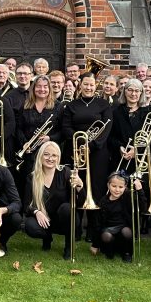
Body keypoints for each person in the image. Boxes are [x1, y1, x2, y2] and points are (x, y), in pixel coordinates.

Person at [24, 141, 83, 259]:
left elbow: (81, 202)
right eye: (46, 154)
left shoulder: (65, 172)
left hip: (64, 219)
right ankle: (47, 237)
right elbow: (26, 204)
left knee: (66, 208)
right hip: (45, 220)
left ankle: (68, 246)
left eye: (54, 155)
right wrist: (37, 212)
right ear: (40, 156)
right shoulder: (32, 177)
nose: (50, 158)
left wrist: (80, 186)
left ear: (58, 157)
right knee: (30, 226)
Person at [61, 72, 113, 205]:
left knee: (98, 186)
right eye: (85, 84)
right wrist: (82, 143)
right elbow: (66, 127)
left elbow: (106, 127)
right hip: (77, 151)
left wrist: (92, 145)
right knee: (77, 184)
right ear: (80, 85)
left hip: (98, 151)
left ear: (96, 86)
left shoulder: (104, 104)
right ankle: (77, 215)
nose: (88, 88)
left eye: (91, 85)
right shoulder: (71, 105)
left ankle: (96, 217)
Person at [91, 172, 135, 262]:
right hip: (109, 230)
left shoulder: (127, 197)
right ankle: (109, 252)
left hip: (123, 229)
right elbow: (97, 223)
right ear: (108, 185)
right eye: (114, 186)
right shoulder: (103, 201)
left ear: (125, 187)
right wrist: (95, 245)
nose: (117, 190)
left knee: (126, 231)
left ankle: (127, 253)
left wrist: (140, 190)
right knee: (106, 236)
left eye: (121, 187)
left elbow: (141, 207)